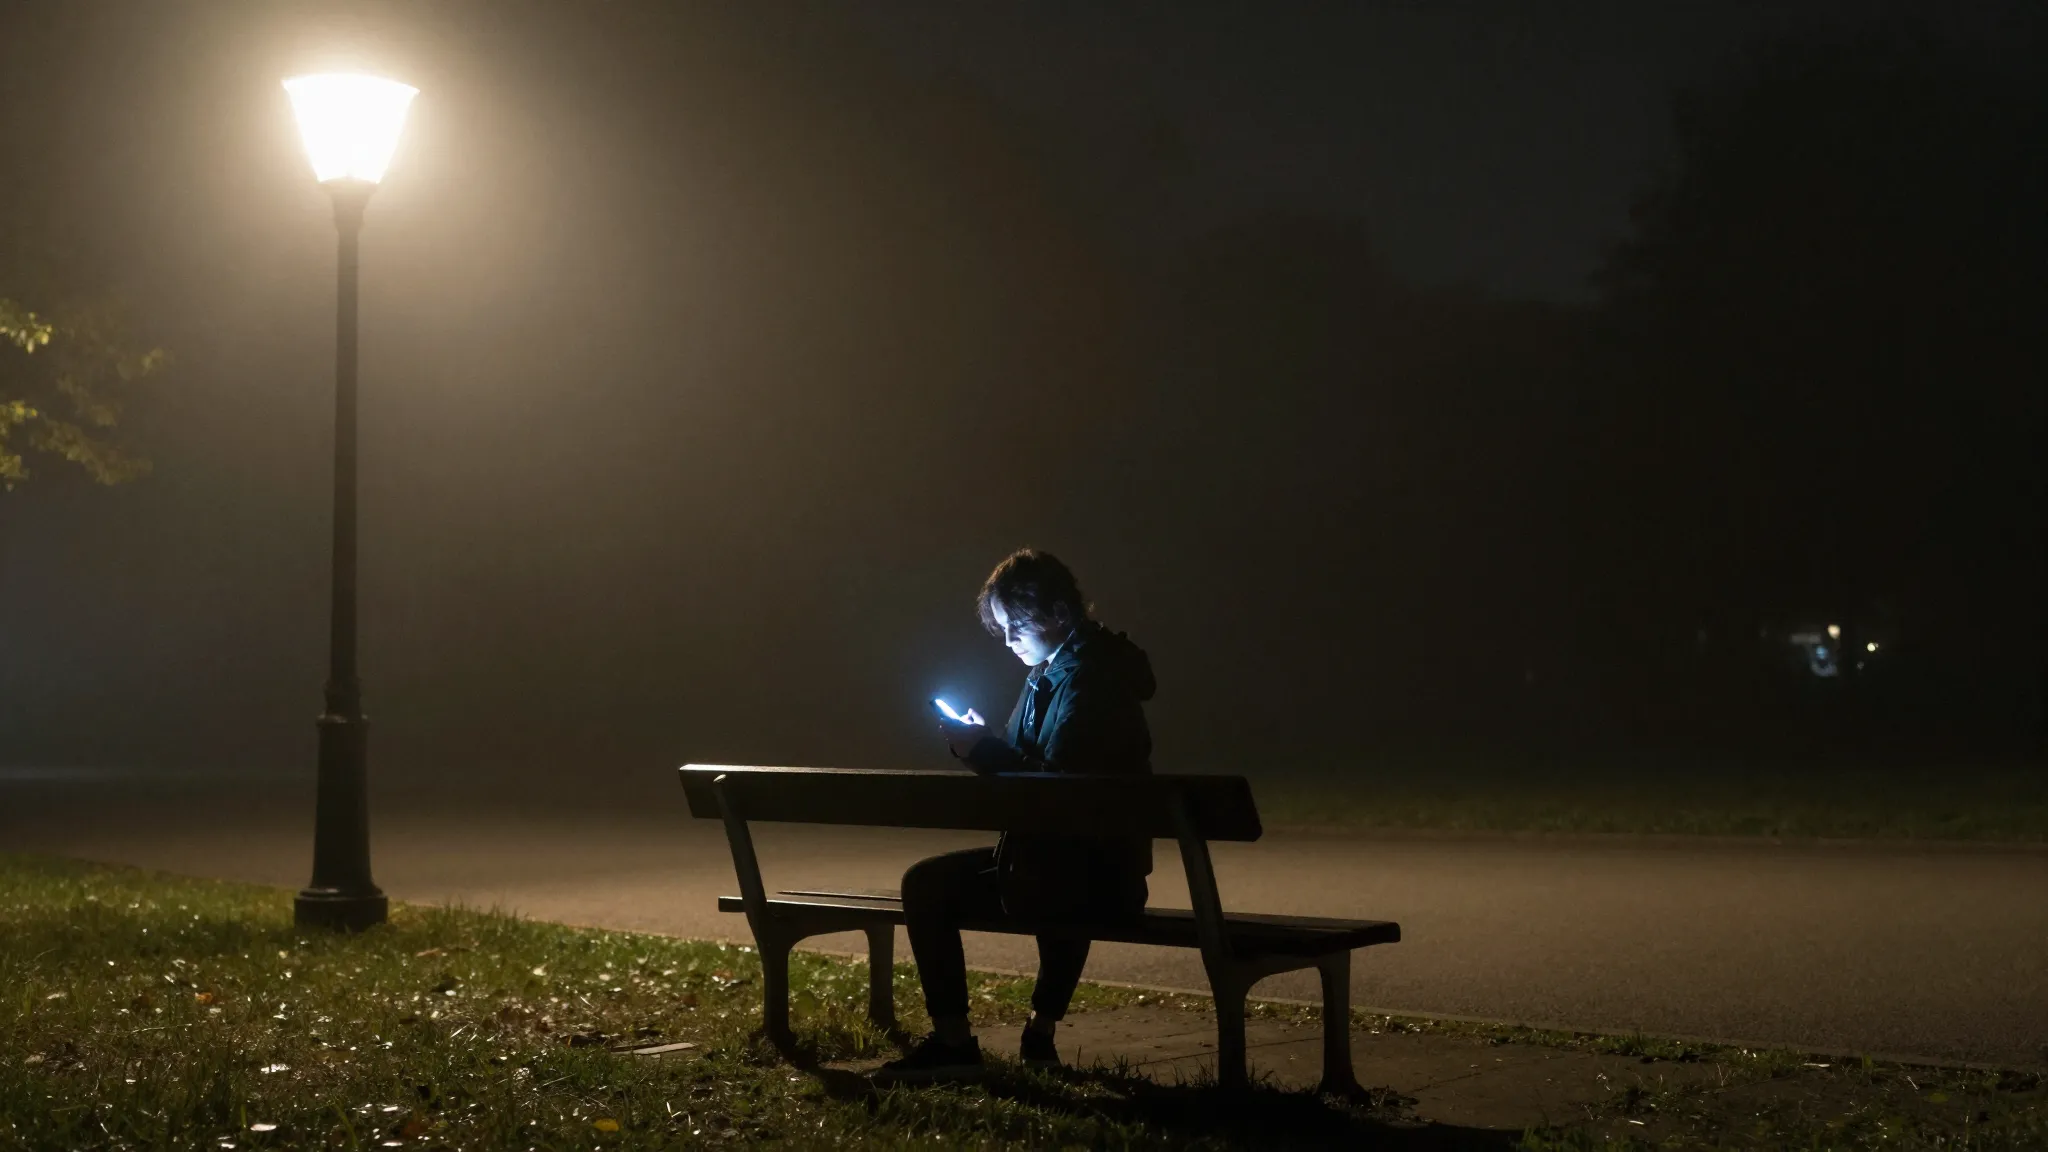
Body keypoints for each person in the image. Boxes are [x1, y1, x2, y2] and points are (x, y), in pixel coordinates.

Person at [877, 549, 1156, 1081]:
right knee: (945, 880)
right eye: (1001, 628)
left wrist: (982, 749)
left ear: (1058, 612)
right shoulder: (1053, 671)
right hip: (1064, 865)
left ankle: (960, 1043)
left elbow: (1056, 792)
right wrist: (981, 743)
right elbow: (1030, 772)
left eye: (1015, 626)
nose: (1006, 641)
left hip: (1090, 877)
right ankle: (1032, 1033)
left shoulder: (1092, 678)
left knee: (929, 886)